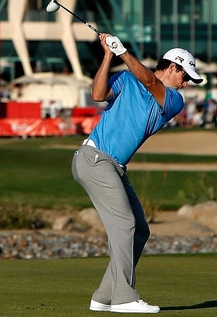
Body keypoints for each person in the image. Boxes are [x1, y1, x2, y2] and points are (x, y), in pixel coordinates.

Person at [72, 34, 202, 314]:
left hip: (113, 166)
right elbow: (97, 95)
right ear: (172, 67)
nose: (187, 83)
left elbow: (151, 82)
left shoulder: (173, 100)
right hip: (94, 158)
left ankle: (105, 295)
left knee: (139, 230)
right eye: (186, 75)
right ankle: (124, 297)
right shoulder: (127, 79)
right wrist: (109, 54)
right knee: (125, 224)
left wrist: (123, 52)